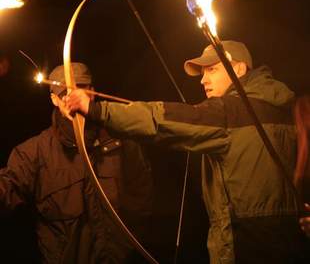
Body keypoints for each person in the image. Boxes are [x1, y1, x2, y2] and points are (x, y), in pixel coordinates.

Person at [65, 41, 310, 264]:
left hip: (247, 246)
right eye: (203, 73)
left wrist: (98, 111)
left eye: (212, 70)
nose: (203, 80)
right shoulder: (288, 109)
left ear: (238, 70)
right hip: (293, 244)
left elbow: (161, 119)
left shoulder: (229, 112)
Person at [0, 62, 153, 264]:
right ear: (54, 99)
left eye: (80, 88)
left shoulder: (121, 141)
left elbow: (143, 197)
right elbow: (6, 189)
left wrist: (126, 248)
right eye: (64, 92)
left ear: (93, 92)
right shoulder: (34, 152)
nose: (72, 97)